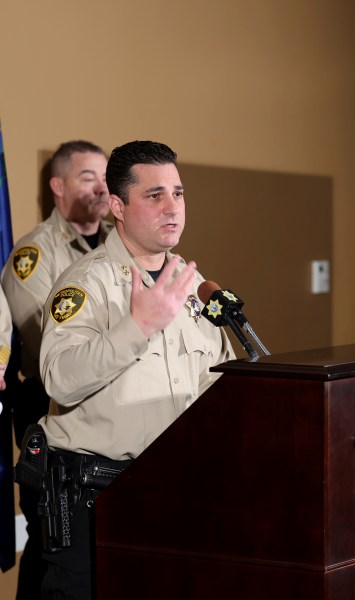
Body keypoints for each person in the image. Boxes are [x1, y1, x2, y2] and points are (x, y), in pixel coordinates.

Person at [36, 140, 234, 599]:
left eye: (178, 194)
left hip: (177, 494)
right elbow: (60, 378)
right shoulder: (85, 284)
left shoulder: (191, 285)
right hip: (98, 498)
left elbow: (218, 385)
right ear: (117, 206)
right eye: (154, 195)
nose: (172, 207)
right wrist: (137, 326)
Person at [1, 140, 113, 600]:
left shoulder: (119, 243)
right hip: (47, 407)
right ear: (58, 186)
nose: (102, 187)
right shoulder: (33, 255)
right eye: (88, 177)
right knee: (55, 544)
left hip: (107, 407)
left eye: (107, 177)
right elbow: (53, 345)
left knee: (101, 547)